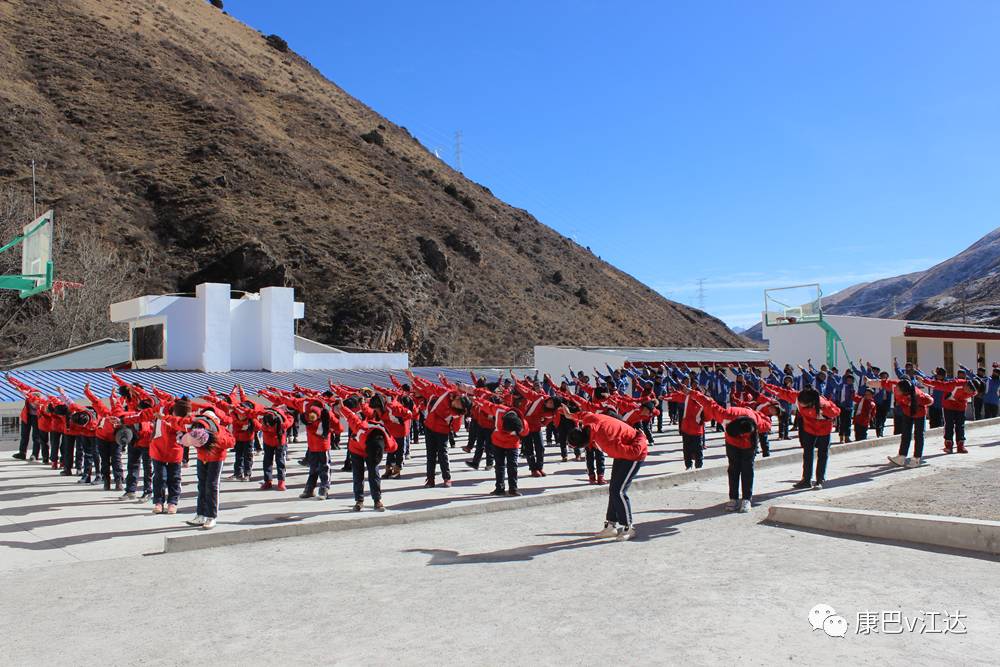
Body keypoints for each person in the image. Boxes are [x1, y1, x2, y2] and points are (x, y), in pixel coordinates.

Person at [562, 404, 648, 541]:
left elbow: (633, 452)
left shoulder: (607, 442)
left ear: (585, 444)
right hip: (624, 450)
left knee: (619, 491)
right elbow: (582, 414)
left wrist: (641, 437)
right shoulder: (590, 421)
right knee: (613, 489)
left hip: (636, 453)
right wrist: (570, 415)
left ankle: (628, 527)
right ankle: (611, 526)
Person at [687, 388, 774, 512]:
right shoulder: (725, 415)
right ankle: (733, 499)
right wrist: (691, 392)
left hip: (749, 445)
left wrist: (761, 414)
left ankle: (746, 499)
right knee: (733, 470)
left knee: (747, 470)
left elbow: (768, 424)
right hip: (732, 443)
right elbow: (707, 402)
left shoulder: (755, 420)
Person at [763, 384, 840, 490]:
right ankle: (806, 480)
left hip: (824, 430)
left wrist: (825, 412)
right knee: (807, 453)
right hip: (808, 429)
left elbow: (836, 412)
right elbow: (782, 392)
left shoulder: (824, 405)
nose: (801, 406)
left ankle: (820, 480)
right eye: (801, 404)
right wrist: (766, 386)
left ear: (812, 403)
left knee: (822, 454)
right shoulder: (798, 396)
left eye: (805, 405)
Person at [335, 400, 397, 511]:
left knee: (374, 474)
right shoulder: (360, 429)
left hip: (374, 450)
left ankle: (377, 500)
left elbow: (394, 447)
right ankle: (359, 500)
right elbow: (350, 416)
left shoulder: (389, 440)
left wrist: (377, 457)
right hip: (356, 449)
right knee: (358, 474)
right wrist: (342, 407)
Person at [184, 408, 235, 530]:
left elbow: (231, 442)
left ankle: (211, 516)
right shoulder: (197, 427)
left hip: (216, 460)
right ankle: (200, 514)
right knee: (201, 486)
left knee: (211, 486)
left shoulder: (221, 430)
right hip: (202, 458)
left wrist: (213, 437)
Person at [882, 378, 933, 467]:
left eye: (898, 389)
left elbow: (930, 401)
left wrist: (926, 399)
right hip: (907, 413)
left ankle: (916, 458)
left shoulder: (919, 396)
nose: (896, 390)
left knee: (918, 435)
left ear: (904, 391)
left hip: (919, 414)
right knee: (905, 434)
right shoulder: (900, 393)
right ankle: (901, 456)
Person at [921, 375, 977, 454]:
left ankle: (960, 446)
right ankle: (948, 445)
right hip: (949, 406)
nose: (970, 393)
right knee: (949, 425)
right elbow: (940, 385)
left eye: (972, 392)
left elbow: (973, 393)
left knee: (960, 425)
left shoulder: (974, 391)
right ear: (967, 385)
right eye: (969, 391)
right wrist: (924, 381)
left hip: (960, 407)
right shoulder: (955, 384)